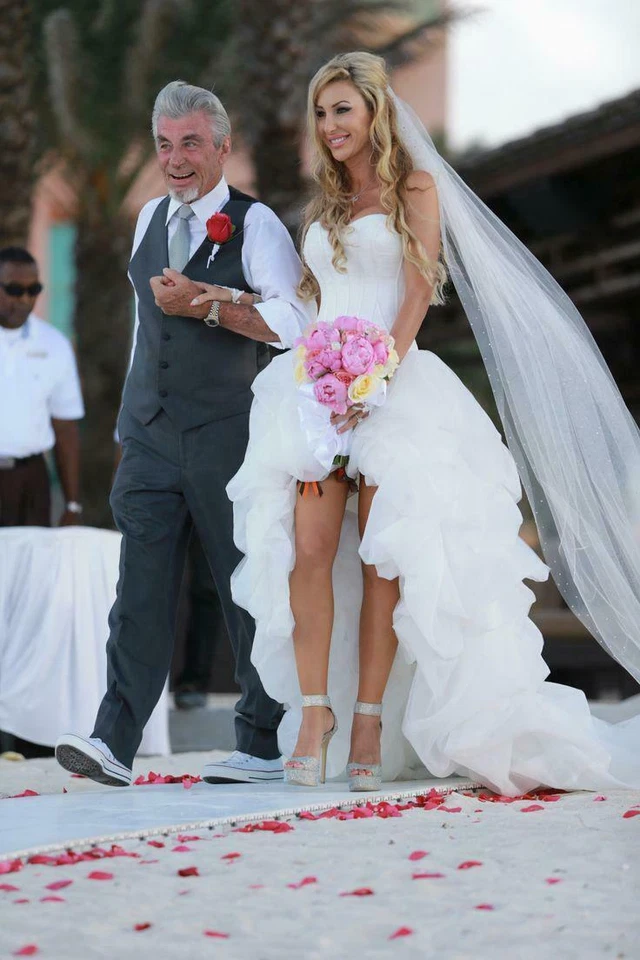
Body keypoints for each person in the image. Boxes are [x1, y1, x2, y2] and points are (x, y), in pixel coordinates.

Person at [193, 52, 640, 797]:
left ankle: (369, 720)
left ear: (374, 112)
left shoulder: (416, 188)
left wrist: (375, 377)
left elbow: (415, 291)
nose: (331, 125)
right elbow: (305, 308)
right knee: (306, 552)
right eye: (322, 112)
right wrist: (218, 300)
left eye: (343, 109)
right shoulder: (324, 205)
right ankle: (314, 717)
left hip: (393, 387)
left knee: (382, 562)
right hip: (312, 392)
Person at [55, 80, 308, 787]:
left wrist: (206, 306)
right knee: (137, 587)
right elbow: (145, 324)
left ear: (223, 148)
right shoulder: (146, 219)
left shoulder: (256, 227)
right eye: (165, 145)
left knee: (240, 584)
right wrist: (130, 418)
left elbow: (294, 325)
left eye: (191, 143)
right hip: (148, 435)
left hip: (225, 430)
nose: (176, 160)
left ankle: (260, 743)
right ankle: (113, 741)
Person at [0, 247, 84, 528]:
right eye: (13, 290)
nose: (24, 300)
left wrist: (72, 503)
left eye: (33, 289)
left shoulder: (54, 344)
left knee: (30, 570)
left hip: (30, 481)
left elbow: (65, 427)